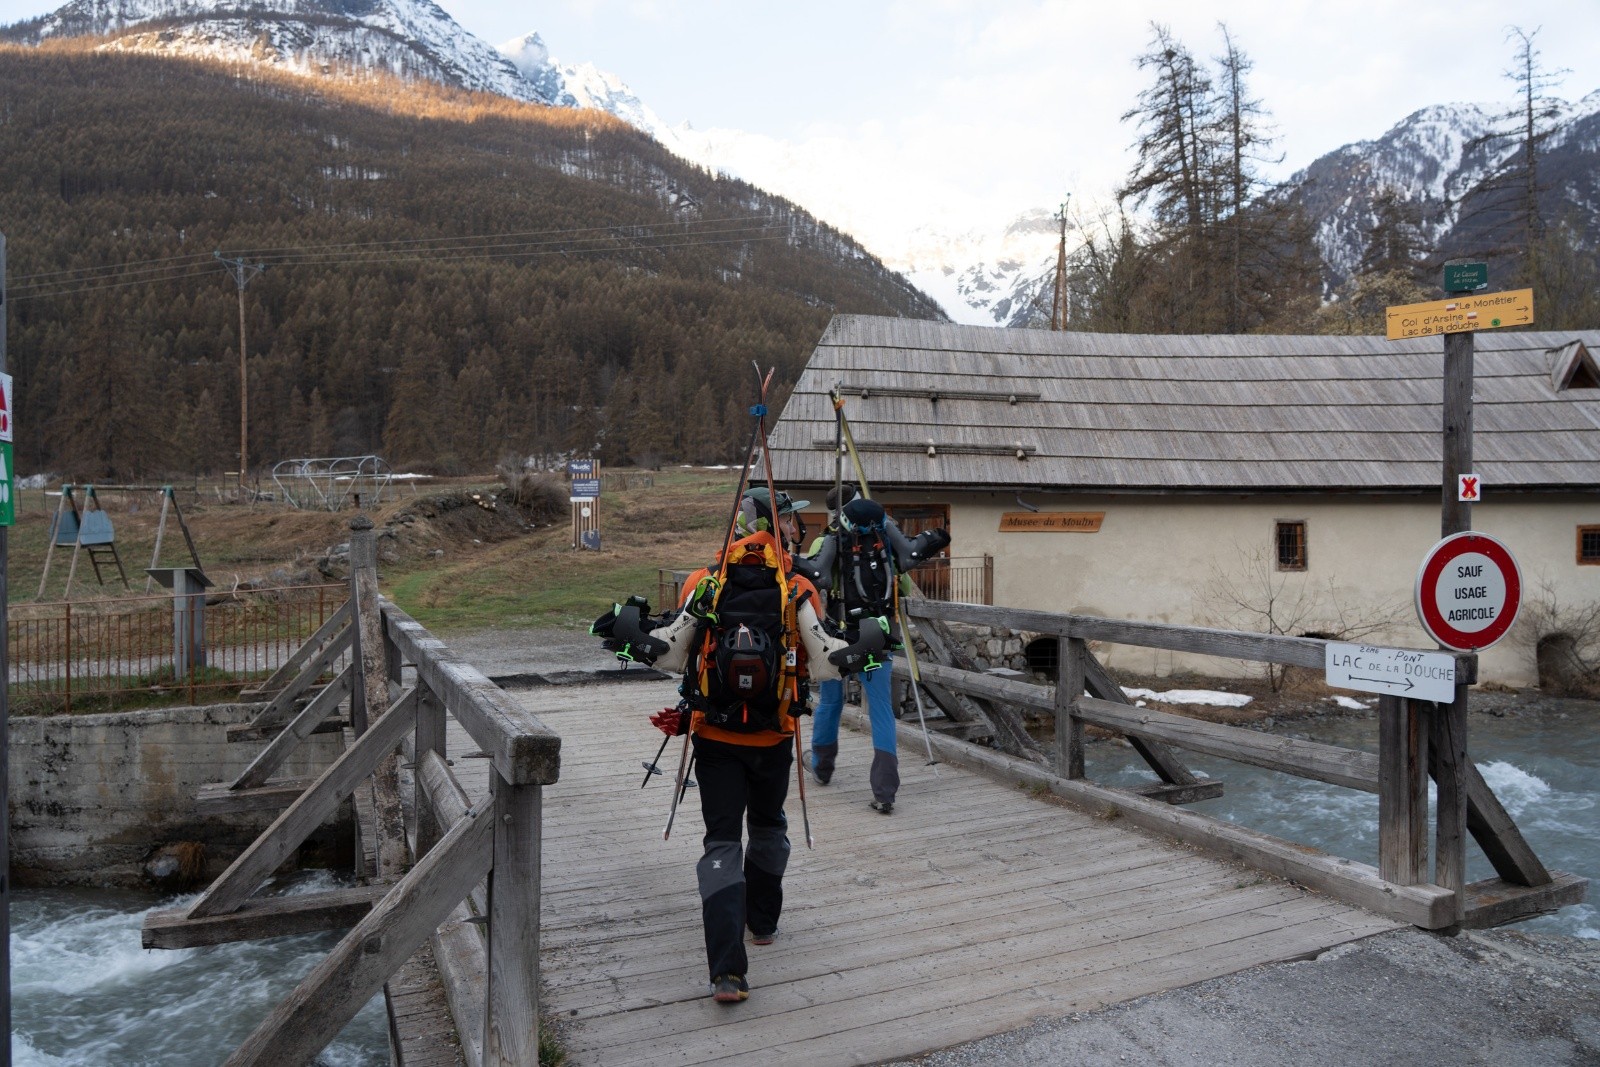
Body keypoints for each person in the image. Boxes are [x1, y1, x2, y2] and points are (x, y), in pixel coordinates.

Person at [592, 487, 887, 1004]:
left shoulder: (704, 584)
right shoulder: (796, 588)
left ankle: (728, 972)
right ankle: (763, 922)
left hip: (714, 737)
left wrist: (624, 627)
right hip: (774, 735)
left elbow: (666, 655)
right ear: (781, 529)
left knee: (722, 841)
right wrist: (871, 639)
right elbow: (824, 663)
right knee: (769, 825)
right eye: (791, 522)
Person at [804, 486, 949, 814]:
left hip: (838, 636)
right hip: (879, 634)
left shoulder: (825, 539)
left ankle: (822, 767)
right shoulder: (884, 535)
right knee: (881, 708)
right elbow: (907, 585)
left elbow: (814, 584)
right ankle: (884, 790)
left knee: (830, 700)